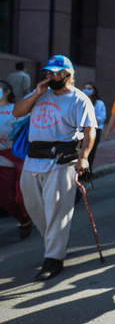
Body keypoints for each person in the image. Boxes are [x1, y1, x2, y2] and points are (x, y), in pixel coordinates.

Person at [14, 55, 96, 281]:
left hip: (61, 160)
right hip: (33, 158)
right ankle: (55, 240)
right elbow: (18, 112)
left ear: (67, 75)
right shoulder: (40, 95)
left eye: (54, 72)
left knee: (57, 209)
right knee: (32, 205)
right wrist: (37, 93)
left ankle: (54, 258)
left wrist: (84, 157)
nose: (49, 76)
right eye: (48, 72)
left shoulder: (79, 99)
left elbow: (90, 130)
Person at [0, 80, 33, 239]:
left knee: (20, 196)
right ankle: (24, 220)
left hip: (15, 159)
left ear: (7, 92)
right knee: (5, 198)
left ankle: (29, 218)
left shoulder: (17, 109)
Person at [81, 82, 107, 170]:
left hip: (95, 129)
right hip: (82, 130)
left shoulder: (99, 103)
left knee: (90, 152)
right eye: (85, 88)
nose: (86, 90)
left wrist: (91, 116)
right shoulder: (80, 101)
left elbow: (102, 118)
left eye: (89, 88)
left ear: (94, 91)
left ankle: (88, 175)